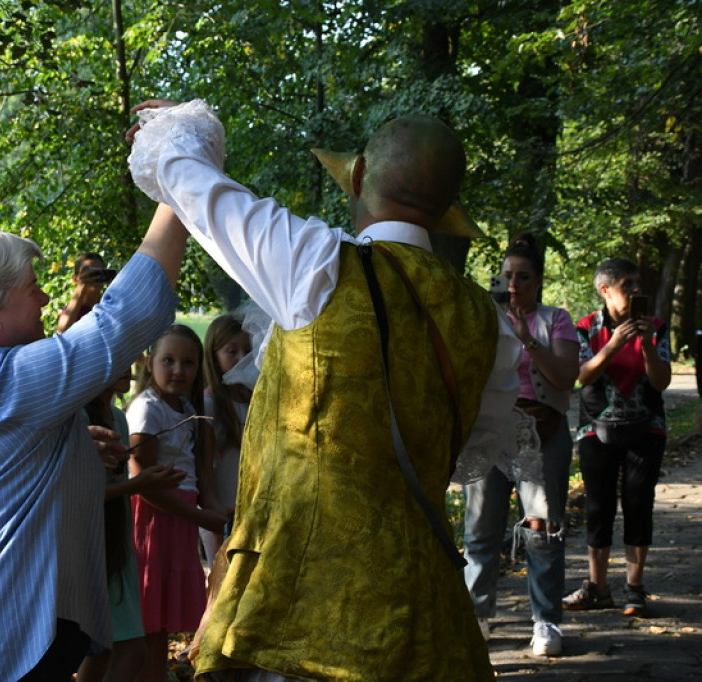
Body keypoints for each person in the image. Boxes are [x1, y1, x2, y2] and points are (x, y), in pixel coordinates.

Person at [126, 99, 521, 681]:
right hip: (425, 611)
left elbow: (191, 183)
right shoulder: (490, 324)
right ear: (445, 212)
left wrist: (180, 123)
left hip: (303, 602)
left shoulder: (316, 262)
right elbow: (470, 452)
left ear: (358, 176)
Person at [0, 204, 188, 681]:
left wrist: (69, 452)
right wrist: (178, 186)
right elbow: (130, 315)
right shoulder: (4, 383)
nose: (43, 299)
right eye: (31, 289)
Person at [462, 232, 579, 656]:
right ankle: (476, 617)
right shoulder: (482, 316)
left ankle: (545, 621)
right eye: (507, 275)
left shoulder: (556, 320)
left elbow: (566, 378)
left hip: (542, 432)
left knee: (542, 528)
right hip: (491, 430)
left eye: (523, 277)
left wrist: (526, 337)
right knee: (479, 530)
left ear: (538, 281)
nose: (513, 284)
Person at [563, 258, 671, 617]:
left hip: (647, 428)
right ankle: (598, 587)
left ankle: (635, 589)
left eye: (639, 284)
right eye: (629, 285)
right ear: (605, 290)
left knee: (639, 504)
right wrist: (613, 345)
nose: (638, 291)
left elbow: (661, 381)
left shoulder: (656, 327)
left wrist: (646, 345)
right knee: (599, 507)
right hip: (597, 428)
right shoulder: (585, 328)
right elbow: (582, 376)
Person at [125, 324, 225, 682]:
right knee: (150, 617)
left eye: (188, 362)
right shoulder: (148, 409)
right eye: (168, 361)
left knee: (162, 618)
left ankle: (157, 674)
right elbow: (143, 482)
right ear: (150, 363)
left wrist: (208, 510)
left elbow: (199, 470)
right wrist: (199, 515)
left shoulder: (185, 407)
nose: (178, 370)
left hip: (179, 517)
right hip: (155, 519)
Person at [77, 368, 186, 682]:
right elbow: (79, 495)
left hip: (117, 548)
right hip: (93, 549)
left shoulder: (117, 418)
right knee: (129, 652)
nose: (131, 363)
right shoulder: (81, 419)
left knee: (108, 652)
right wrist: (138, 485)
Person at [199, 314, 252, 566]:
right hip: (223, 512)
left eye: (248, 351)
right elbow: (206, 466)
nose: (242, 359)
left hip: (251, 508)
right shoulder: (210, 404)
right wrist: (214, 508)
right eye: (232, 352)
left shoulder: (254, 399)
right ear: (214, 356)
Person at [57, 251, 114, 333]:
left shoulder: (110, 304)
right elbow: (61, 333)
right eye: (89, 273)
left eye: (99, 272)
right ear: (75, 279)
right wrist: (80, 289)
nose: (95, 277)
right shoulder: (73, 311)